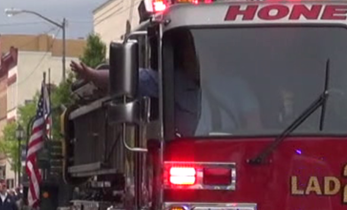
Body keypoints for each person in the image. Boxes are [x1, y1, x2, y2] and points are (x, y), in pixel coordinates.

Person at [68, 32, 262, 134]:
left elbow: (254, 125)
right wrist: (92, 74)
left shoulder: (238, 88)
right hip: (187, 156)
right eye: (189, 53)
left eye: (201, 52)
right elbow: (130, 78)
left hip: (231, 153)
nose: (194, 58)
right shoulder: (171, 80)